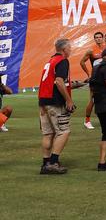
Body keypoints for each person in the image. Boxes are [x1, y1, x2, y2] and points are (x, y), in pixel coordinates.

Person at [38, 38, 85, 174]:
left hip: (44, 101)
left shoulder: (50, 61)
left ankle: (46, 163)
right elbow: (59, 82)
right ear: (64, 50)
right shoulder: (63, 61)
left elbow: (47, 83)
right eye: (69, 48)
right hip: (55, 103)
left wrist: (76, 84)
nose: (71, 50)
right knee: (64, 131)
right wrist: (69, 101)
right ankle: (53, 163)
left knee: (48, 133)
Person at [79, 31, 105, 129]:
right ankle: (87, 121)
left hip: (105, 78)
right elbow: (81, 62)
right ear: (94, 39)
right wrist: (89, 74)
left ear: (102, 38)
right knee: (93, 99)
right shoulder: (91, 51)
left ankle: (105, 119)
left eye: (100, 37)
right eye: (96, 37)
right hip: (95, 78)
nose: (98, 39)